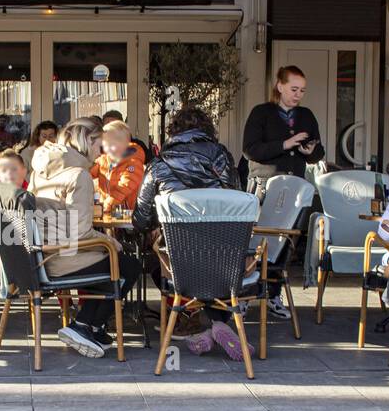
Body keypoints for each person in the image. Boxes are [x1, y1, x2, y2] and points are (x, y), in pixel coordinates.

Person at [133, 105, 252, 361]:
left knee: (155, 256)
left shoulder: (159, 164)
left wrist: (157, 225)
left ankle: (188, 317)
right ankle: (218, 324)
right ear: (208, 131)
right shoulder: (222, 157)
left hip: (177, 259)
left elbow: (140, 219)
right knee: (214, 265)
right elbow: (237, 199)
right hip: (223, 254)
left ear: (173, 132)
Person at [29, 120, 139, 358]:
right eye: (100, 146)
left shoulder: (40, 169)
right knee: (128, 265)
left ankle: (94, 326)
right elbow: (80, 233)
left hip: (41, 256)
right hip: (63, 258)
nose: (101, 153)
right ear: (88, 141)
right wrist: (110, 241)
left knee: (108, 261)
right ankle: (83, 325)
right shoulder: (80, 175)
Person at [242, 64, 325, 187]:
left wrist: (310, 152)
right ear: (280, 87)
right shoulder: (261, 112)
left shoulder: (306, 115)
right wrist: (284, 145)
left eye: (302, 90)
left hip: (296, 185)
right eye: (294, 89)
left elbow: (318, 153)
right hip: (265, 185)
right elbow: (250, 151)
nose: (298, 94)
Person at [91, 119, 146, 214]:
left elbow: (125, 186)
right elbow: (89, 172)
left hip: (127, 212)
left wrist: (109, 203)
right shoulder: (103, 159)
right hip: (107, 210)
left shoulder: (133, 162)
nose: (104, 145)